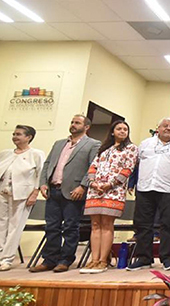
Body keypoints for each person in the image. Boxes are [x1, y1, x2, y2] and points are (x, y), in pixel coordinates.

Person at [30, 115, 101, 273]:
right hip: (53, 190)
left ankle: (65, 260)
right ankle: (49, 260)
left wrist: (83, 186)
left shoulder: (93, 144)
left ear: (86, 127)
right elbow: (47, 164)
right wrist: (43, 183)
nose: (73, 125)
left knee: (70, 227)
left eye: (77, 123)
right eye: (72, 122)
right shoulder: (59, 143)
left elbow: (93, 167)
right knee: (51, 227)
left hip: (73, 191)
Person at [127, 117, 170, 271]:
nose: (168, 128)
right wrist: (132, 183)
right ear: (158, 128)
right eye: (165, 126)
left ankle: (167, 259)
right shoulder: (145, 144)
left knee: (168, 225)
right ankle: (144, 258)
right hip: (145, 188)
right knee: (143, 224)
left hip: (169, 190)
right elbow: (136, 164)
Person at [80, 121, 138, 274]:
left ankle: (103, 260)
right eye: (119, 129)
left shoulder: (131, 148)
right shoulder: (104, 149)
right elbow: (93, 167)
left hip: (113, 190)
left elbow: (128, 169)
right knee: (95, 225)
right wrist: (92, 182)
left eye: (125, 129)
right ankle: (94, 259)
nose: (122, 131)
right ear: (112, 131)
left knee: (106, 224)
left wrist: (110, 184)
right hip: (95, 189)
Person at [0, 125, 44, 271]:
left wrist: (35, 193)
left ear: (28, 137)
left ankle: (7, 259)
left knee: (15, 227)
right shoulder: (6, 153)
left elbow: (40, 174)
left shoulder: (36, 154)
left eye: (18, 134)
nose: (15, 137)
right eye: (14, 134)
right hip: (3, 192)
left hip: (22, 195)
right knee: (1, 224)